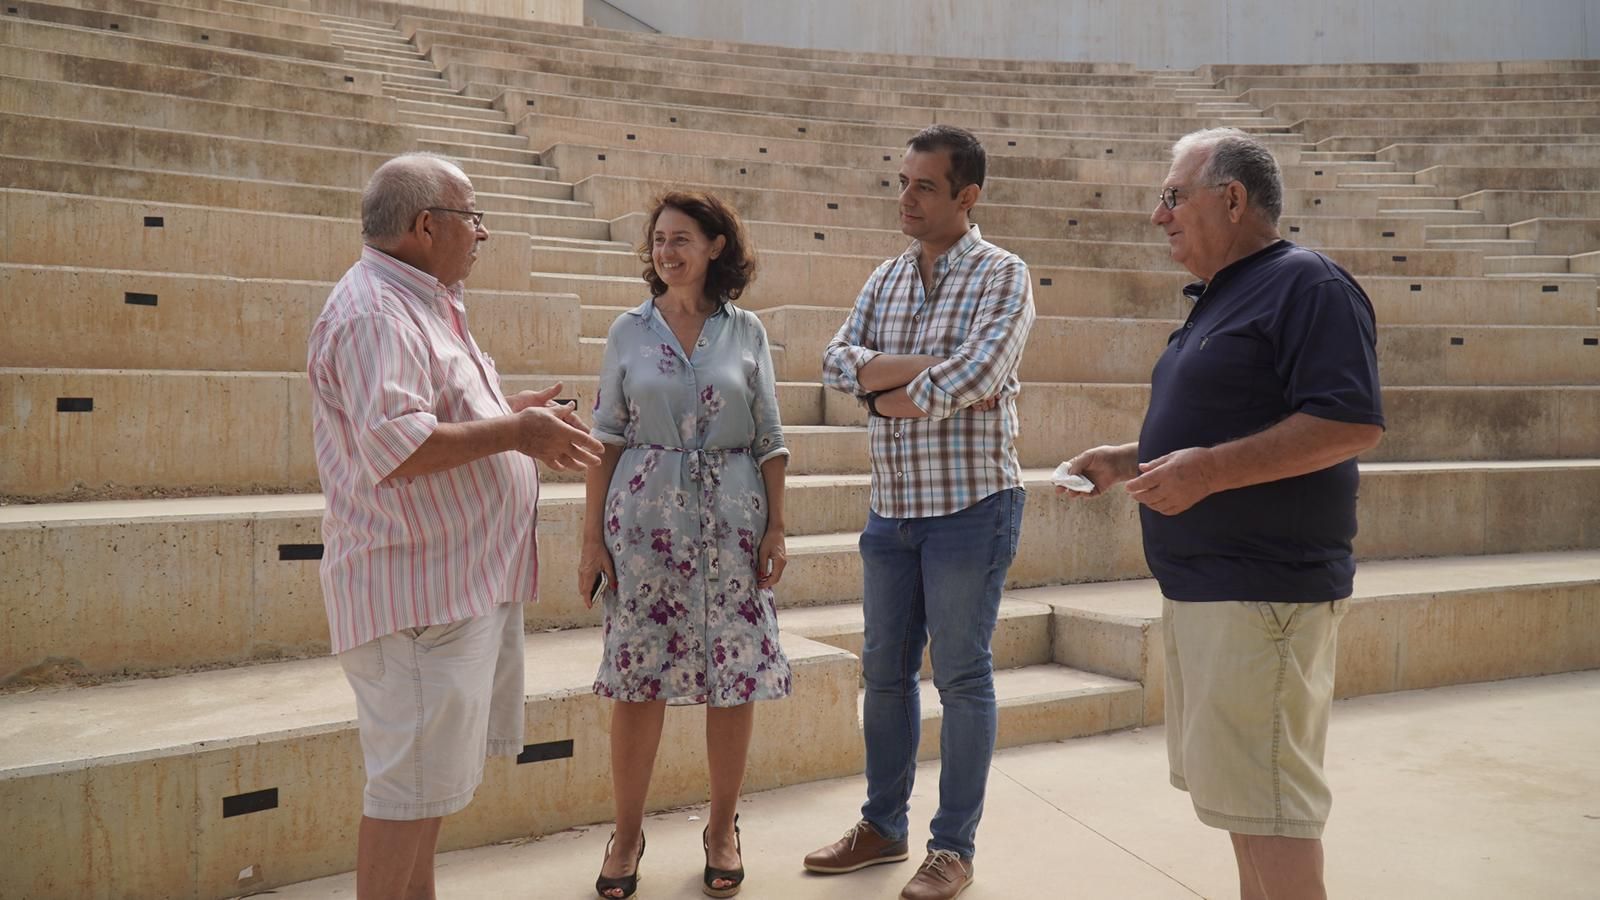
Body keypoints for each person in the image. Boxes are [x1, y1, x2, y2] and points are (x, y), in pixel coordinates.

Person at [1060, 128, 1384, 900]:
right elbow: (1236, 419)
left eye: (1173, 196)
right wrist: (1130, 460)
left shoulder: (1307, 284)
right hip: (1215, 595)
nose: (1158, 215)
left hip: (1262, 596)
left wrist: (1206, 471)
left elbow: (1349, 422)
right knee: (1248, 810)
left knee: (1273, 817)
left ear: (1232, 200)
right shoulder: (1227, 294)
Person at [307, 152, 604, 900]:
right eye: (473, 217)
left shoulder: (423, 299)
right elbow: (397, 445)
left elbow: (426, 409)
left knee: (425, 790)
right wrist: (517, 433)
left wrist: (508, 410)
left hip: (448, 589)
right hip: (416, 598)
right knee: (404, 793)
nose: (483, 232)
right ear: (425, 226)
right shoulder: (378, 312)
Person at [806, 124, 1035, 900]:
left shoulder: (1004, 275)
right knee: (885, 673)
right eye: (901, 181)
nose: (905, 197)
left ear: (967, 197)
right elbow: (836, 362)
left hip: (972, 506)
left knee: (962, 677)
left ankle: (952, 849)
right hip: (893, 509)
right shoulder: (887, 277)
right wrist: (923, 376)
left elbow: (979, 375)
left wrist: (886, 392)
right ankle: (883, 827)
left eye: (924, 186)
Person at [578, 190, 792, 900]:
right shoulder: (628, 330)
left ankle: (722, 829)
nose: (666, 252)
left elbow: (770, 437)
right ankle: (627, 835)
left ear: (715, 247)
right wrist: (590, 540)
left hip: (733, 524)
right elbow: (606, 437)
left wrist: (777, 526)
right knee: (637, 679)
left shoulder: (747, 330)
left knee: (734, 678)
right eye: (659, 240)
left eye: (681, 239)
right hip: (644, 529)